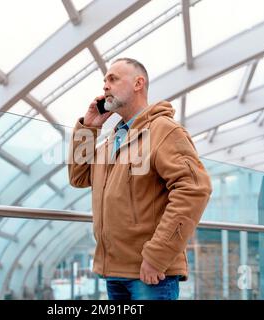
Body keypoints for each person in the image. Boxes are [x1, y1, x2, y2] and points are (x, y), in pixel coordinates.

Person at [68, 58, 212, 300]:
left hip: (150, 273)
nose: (105, 86)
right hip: (114, 272)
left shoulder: (164, 131)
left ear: (138, 83)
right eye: (104, 80)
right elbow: (78, 177)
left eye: (113, 79)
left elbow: (194, 190)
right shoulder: (112, 141)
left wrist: (158, 256)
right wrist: (89, 128)